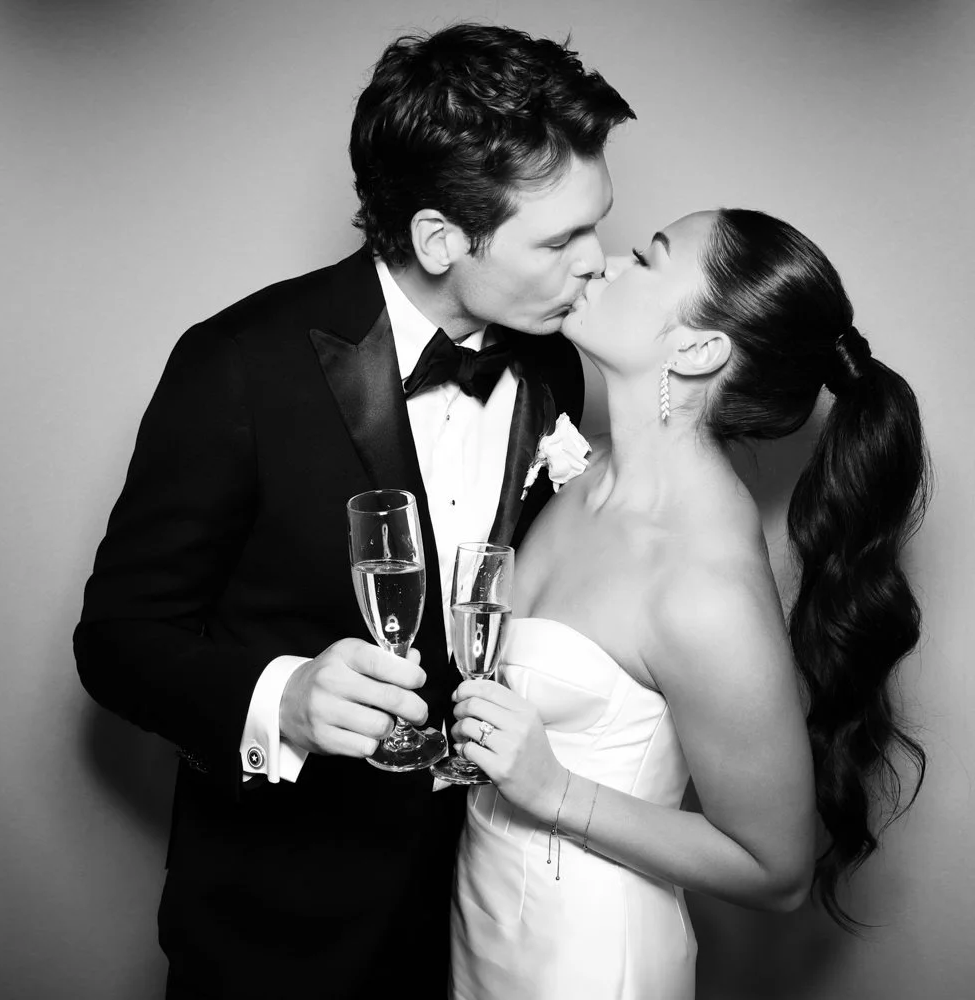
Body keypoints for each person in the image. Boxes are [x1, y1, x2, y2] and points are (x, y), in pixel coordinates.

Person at [73, 23, 634, 999]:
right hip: (275, 929)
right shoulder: (235, 366)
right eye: (560, 238)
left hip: (478, 907)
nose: (596, 263)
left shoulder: (549, 364)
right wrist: (282, 697)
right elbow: (117, 640)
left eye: (600, 223)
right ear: (436, 237)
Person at [449, 208, 929, 999]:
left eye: (645, 258)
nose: (603, 264)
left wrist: (555, 790)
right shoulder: (586, 471)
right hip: (485, 915)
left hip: (587, 956)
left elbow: (776, 871)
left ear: (699, 350)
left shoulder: (704, 583)